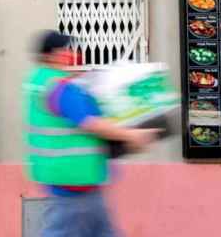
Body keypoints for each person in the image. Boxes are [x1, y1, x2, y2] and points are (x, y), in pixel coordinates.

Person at [23, 30, 158, 237]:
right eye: (64, 50)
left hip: (67, 176)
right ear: (49, 55)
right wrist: (132, 135)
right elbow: (91, 123)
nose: (70, 54)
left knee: (101, 231)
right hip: (75, 180)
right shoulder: (60, 87)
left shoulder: (38, 82)